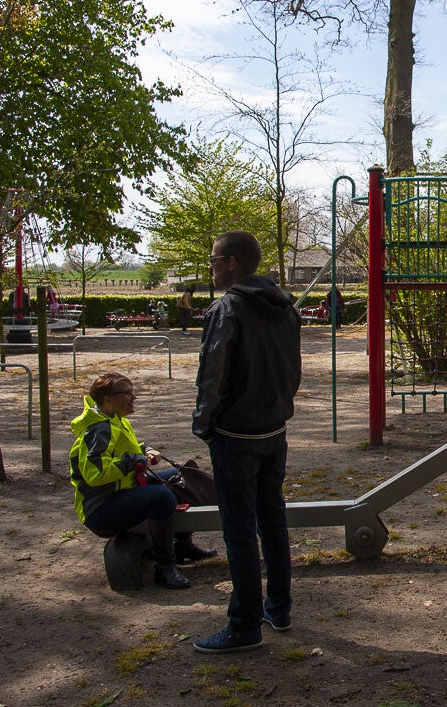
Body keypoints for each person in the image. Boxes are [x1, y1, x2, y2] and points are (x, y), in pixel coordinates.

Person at [193, 230, 302, 654]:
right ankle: (279, 607)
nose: (211, 268)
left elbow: (212, 374)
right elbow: (293, 370)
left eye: (214, 259)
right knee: (272, 521)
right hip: (274, 430)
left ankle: (243, 625)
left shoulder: (227, 309)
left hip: (236, 436)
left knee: (239, 530)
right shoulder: (285, 307)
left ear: (232, 261)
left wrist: (204, 426)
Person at [69, 372, 217, 591]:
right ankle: (165, 567)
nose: (134, 397)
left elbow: (123, 450)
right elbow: (95, 474)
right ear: (108, 400)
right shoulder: (99, 429)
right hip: (100, 509)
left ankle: (183, 546)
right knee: (161, 496)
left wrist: (145, 451)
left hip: (122, 491)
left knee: (184, 473)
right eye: (127, 393)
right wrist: (134, 460)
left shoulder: (114, 419)